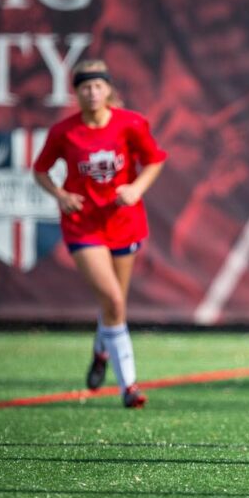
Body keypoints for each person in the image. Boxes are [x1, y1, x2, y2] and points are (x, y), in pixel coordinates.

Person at [33, 59, 167, 408]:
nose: (92, 93)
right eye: (84, 87)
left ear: (108, 89)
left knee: (113, 304)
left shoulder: (131, 123)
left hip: (124, 222)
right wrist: (60, 195)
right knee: (114, 302)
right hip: (84, 225)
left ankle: (100, 351)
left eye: (97, 86)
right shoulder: (65, 132)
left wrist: (136, 188)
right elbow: (41, 170)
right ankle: (129, 387)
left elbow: (155, 160)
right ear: (76, 93)